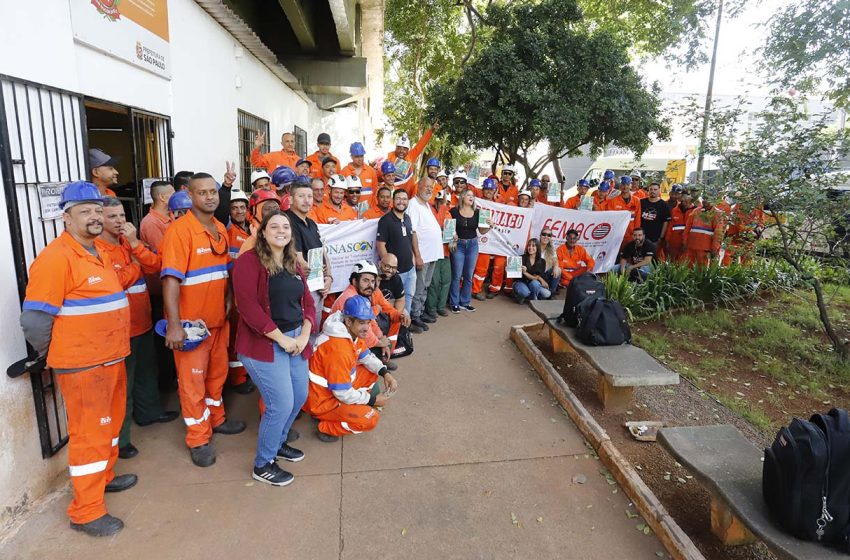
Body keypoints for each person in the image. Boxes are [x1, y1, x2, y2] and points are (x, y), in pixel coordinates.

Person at [20, 182, 137, 537]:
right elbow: (35, 320)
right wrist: (56, 353)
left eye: (98, 210)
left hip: (110, 358)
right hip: (85, 365)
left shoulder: (97, 251)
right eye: (85, 211)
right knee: (90, 435)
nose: (95, 216)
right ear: (66, 217)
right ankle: (86, 510)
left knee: (110, 426)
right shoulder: (56, 258)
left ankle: (105, 477)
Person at [160, 172, 246, 468]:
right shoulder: (179, 231)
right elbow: (170, 280)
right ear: (191, 195)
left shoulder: (220, 227)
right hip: (191, 327)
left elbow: (225, 271)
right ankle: (198, 438)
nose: (210, 197)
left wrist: (229, 299)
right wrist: (173, 324)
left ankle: (217, 419)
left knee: (216, 375)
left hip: (218, 320)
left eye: (213, 192)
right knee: (192, 382)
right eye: (203, 193)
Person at [232, 211, 317, 486]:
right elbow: (248, 308)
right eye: (274, 226)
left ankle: (279, 442)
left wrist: (304, 334)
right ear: (263, 232)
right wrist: (282, 339)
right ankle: (263, 463)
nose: (281, 230)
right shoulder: (248, 262)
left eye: (285, 227)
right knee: (279, 404)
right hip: (265, 344)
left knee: (299, 396)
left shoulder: (293, 262)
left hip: (295, 340)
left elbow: (307, 303)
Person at [99, 197, 178, 459]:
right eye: (112, 217)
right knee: (124, 387)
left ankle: (149, 413)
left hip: (143, 323)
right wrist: (136, 265)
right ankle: (120, 441)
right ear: (99, 220)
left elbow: (155, 265)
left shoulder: (126, 243)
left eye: (121, 215)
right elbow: (115, 282)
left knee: (147, 372)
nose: (120, 221)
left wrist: (134, 245)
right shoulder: (97, 250)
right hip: (120, 331)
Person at [305, 296, 398, 441]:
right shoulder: (338, 348)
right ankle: (325, 427)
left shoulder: (350, 332)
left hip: (329, 391)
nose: (367, 327)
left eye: (368, 322)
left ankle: (348, 408)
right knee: (370, 419)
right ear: (349, 321)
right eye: (362, 322)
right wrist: (372, 400)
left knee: (371, 372)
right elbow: (342, 393)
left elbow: (366, 356)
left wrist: (384, 372)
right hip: (323, 401)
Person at [139, 180, 177, 391]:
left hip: (169, 288)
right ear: (162, 197)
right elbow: (164, 259)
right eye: (172, 193)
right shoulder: (151, 223)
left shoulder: (169, 218)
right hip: (160, 290)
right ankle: (165, 384)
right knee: (163, 338)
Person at [330, 261, 401, 369]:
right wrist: (380, 343)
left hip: (350, 339)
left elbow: (370, 321)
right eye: (365, 280)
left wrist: (381, 338)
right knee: (379, 344)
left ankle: (379, 362)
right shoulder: (351, 298)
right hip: (339, 347)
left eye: (372, 281)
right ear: (354, 281)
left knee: (384, 339)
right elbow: (365, 332)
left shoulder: (360, 295)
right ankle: (369, 366)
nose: (370, 285)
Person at [286, 181, 333, 330]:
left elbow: (322, 251)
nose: (307, 200)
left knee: (313, 331)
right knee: (304, 332)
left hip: (318, 286)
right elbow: (298, 259)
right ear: (291, 199)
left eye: (310, 196)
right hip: (303, 287)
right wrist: (317, 277)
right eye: (301, 196)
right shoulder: (288, 221)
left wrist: (328, 278)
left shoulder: (312, 223)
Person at [224, 189, 254, 394]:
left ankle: (246, 371)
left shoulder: (252, 229)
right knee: (236, 335)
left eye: (242, 207)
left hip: (249, 291)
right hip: (234, 291)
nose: (239, 211)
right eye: (234, 208)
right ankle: (237, 378)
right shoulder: (228, 232)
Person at [406, 178, 443, 333]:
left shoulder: (426, 204)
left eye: (431, 187)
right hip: (423, 255)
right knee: (419, 288)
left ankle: (420, 312)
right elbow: (412, 231)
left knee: (425, 286)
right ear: (418, 187)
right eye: (426, 186)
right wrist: (417, 256)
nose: (429, 189)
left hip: (431, 253)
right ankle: (414, 317)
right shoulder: (413, 205)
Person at [449, 187, 490, 312]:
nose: (471, 197)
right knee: (456, 275)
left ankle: (465, 302)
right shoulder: (454, 211)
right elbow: (448, 228)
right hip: (459, 245)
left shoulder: (478, 213)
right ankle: (454, 302)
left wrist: (489, 226)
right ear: (462, 198)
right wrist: (452, 235)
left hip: (472, 245)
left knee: (468, 275)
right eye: (468, 195)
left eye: (473, 196)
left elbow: (482, 231)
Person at [376, 189, 416, 315]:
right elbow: (380, 245)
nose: (401, 202)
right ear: (393, 201)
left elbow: (410, 240)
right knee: (396, 303)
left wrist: (414, 259)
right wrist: (389, 269)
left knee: (408, 298)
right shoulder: (385, 220)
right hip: (396, 273)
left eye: (404, 199)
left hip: (410, 270)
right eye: (398, 199)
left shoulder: (408, 218)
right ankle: (396, 330)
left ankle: (405, 328)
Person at [472, 178, 505, 299]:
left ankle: (495, 288)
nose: (488, 192)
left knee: (498, 266)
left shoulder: (499, 204)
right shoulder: (477, 203)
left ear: (495, 190)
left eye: (491, 189)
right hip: (482, 240)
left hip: (498, 240)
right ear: (483, 189)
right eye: (486, 189)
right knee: (481, 267)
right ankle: (475, 290)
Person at [425, 190, 453, 318]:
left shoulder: (448, 215)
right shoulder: (429, 212)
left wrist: (454, 236)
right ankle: (431, 308)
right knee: (434, 282)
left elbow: (451, 232)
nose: (441, 203)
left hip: (446, 251)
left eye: (444, 201)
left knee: (446, 280)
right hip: (433, 252)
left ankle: (440, 307)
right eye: (439, 200)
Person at [385, 129, 434, 196]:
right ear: (395, 148)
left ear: (408, 150)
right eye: (399, 148)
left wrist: (431, 131)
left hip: (409, 195)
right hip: (394, 195)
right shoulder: (389, 159)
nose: (401, 151)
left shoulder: (410, 156)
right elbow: (381, 175)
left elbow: (421, 144)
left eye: (404, 149)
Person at [237, 189, 282, 257]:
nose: (273, 212)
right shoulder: (250, 245)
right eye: (268, 209)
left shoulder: (284, 236)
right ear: (256, 212)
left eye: (276, 208)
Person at [683, 195, 724, 267]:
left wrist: (714, 248)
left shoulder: (717, 214)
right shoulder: (696, 211)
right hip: (691, 246)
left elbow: (718, 233)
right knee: (688, 269)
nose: (704, 201)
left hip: (705, 248)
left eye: (707, 199)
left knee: (702, 271)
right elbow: (687, 228)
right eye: (704, 198)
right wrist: (684, 242)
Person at [603, 176, 641, 246]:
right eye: (623, 184)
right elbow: (610, 219)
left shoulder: (636, 201)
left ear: (631, 185)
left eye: (627, 184)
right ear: (620, 186)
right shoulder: (613, 201)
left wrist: (636, 233)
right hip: (617, 234)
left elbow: (638, 218)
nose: (625, 186)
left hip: (631, 234)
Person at [139, 180, 175, 252]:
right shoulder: (150, 222)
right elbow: (161, 251)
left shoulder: (171, 214)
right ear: (162, 197)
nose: (176, 197)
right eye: (173, 195)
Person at [514, 238, 552, 304]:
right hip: (521, 282)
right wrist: (509, 269)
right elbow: (513, 276)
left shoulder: (542, 261)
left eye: (533, 246)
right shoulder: (520, 258)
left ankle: (531, 297)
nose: (530, 247)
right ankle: (523, 296)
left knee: (547, 293)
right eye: (529, 245)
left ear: (538, 248)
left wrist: (525, 273)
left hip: (533, 284)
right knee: (524, 292)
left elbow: (537, 277)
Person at [341, 142, 378, 206]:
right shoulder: (345, 171)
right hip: (349, 211)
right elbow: (341, 192)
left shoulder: (371, 171)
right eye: (357, 157)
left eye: (361, 156)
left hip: (368, 211)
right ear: (351, 156)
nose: (360, 159)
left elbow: (375, 192)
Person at [639, 182, 672, 251]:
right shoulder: (641, 202)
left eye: (655, 189)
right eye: (651, 189)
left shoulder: (664, 205)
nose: (653, 191)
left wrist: (661, 237)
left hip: (655, 238)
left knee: (652, 258)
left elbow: (665, 222)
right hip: (641, 237)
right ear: (648, 190)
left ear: (659, 191)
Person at [666, 189, 695, 262]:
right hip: (674, 242)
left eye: (686, 201)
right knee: (672, 263)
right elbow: (670, 226)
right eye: (682, 200)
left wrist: (686, 242)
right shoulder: (674, 210)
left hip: (689, 242)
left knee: (685, 263)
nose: (684, 202)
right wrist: (667, 240)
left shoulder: (695, 211)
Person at [537, 226, 561, 295]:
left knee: (558, 270)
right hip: (536, 275)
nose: (546, 237)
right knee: (544, 294)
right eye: (544, 234)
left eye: (549, 235)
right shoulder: (535, 246)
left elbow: (555, 260)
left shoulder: (551, 247)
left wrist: (556, 267)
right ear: (540, 235)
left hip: (545, 274)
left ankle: (551, 292)